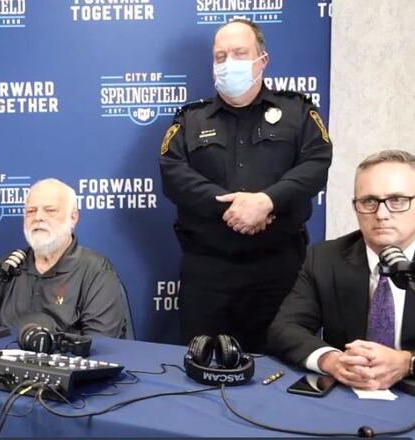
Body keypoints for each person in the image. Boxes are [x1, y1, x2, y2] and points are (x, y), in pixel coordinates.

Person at [159, 19, 332, 352]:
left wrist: (267, 202)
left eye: (239, 53)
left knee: (280, 367)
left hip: (279, 271)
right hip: (208, 272)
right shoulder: (190, 120)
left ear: (262, 60)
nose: (228, 63)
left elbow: (316, 164)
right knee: (200, 371)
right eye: (220, 56)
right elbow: (172, 173)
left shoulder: (298, 113)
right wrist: (237, 208)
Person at [269, 150, 415, 390]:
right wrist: (332, 360)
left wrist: (407, 362)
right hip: (348, 396)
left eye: (397, 200)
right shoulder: (325, 258)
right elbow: (285, 329)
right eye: (369, 201)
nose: (381, 214)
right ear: (355, 207)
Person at [0, 178, 127, 341]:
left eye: (50, 210)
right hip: (4, 372)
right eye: (31, 211)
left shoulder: (95, 270)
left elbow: (102, 344)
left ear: (73, 218)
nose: (38, 217)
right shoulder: (10, 265)